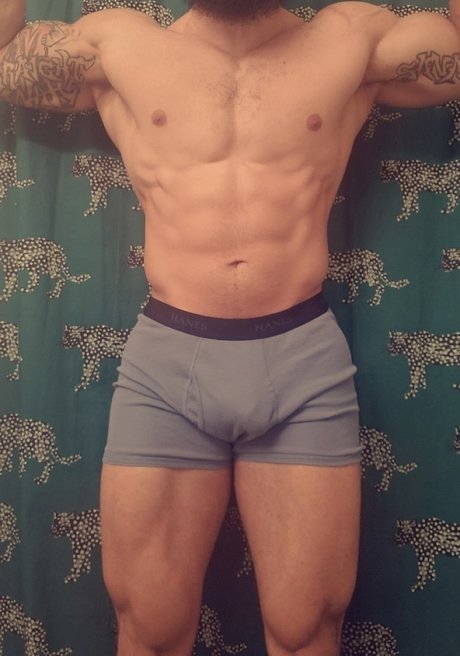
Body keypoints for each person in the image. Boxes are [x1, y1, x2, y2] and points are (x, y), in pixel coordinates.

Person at [1, 0, 460, 653]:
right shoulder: (121, 45)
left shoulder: (349, 39)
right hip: (167, 371)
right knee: (151, 631)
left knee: (306, 631)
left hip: (302, 366)